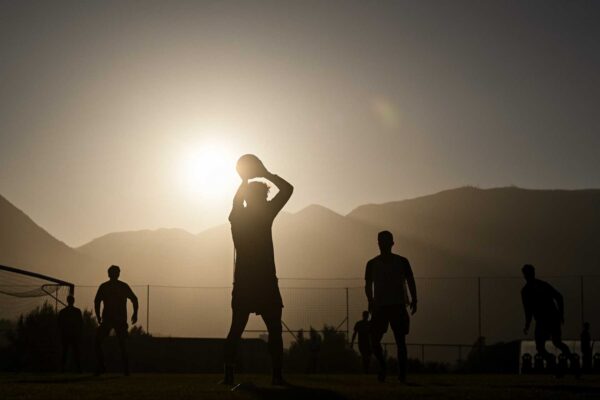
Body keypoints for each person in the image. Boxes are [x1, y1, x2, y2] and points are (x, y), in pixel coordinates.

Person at [223, 156, 293, 386]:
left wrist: (244, 180)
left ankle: (229, 375)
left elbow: (235, 204)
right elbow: (288, 189)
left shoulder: (239, 216)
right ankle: (276, 375)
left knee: (236, 329)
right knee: (274, 329)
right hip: (264, 282)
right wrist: (265, 173)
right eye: (264, 196)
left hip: (245, 281)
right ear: (262, 199)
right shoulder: (264, 215)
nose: (266, 199)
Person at [365, 230, 417, 382]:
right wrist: (370, 301)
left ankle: (400, 374)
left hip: (396, 305)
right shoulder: (372, 264)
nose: (383, 245)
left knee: (399, 341)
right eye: (381, 242)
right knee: (376, 341)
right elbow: (368, 286)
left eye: (385, 242)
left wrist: (415, 299)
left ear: (391, 244)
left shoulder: (401, 262)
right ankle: (385, 368)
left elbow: (411, 280)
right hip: (381, 306)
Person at [521, 264, 575, 377]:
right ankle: (570, 363)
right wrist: (560, 314)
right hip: (551, 318)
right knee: (556, 343)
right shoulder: (540, 286)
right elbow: (559, 297)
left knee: (543, 347)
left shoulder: (526, 291)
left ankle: (557, 365)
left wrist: (527, 324)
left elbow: (528, 310)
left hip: (544, 320)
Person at [94, 265, 138, 376]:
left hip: (109, 319)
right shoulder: (123, 286)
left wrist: (98, 316)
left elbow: (97, 301)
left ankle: (103, 366)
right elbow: (134, 299)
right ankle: (126, 369)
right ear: (118, 274)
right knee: (122, 344)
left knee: (98, 342)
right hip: (119, 320)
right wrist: (135, 313)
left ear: (109, 274)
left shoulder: (104, 287)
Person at [58, 295, 83, 372]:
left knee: (65, 352)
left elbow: (59, 324)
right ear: (73, 301)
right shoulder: (77, 311)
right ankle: (78, 369)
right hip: (74, 335)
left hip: (66, 334)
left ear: (67, 301)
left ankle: (62, 369)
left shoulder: (62, 312)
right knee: (76, 352)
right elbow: (81, 324)